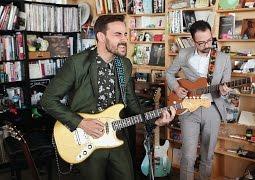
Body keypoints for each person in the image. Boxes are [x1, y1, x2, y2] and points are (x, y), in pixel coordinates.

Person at [41, 15, 176, 180]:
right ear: (101, 36)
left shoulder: (124, 64)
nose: (124, 39)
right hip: (88, 138)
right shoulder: (77, 63)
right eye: (117, 34)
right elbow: (48, 100)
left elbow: (132, 103)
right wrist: (81, 123)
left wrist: (154, 120)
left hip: (117, 136)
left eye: (125, 34)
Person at [166, 20, 231, 180]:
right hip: (188, 109)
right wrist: (176, 88)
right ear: (193, 41)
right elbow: (169, 74)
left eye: (209, 40)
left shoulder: (224, 59)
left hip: (212, 109)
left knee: (207, 156)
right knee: (188, 156)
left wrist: (224, 92)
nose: (207, 45)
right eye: (201, 43)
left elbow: (226, 89)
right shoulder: (183, 54)